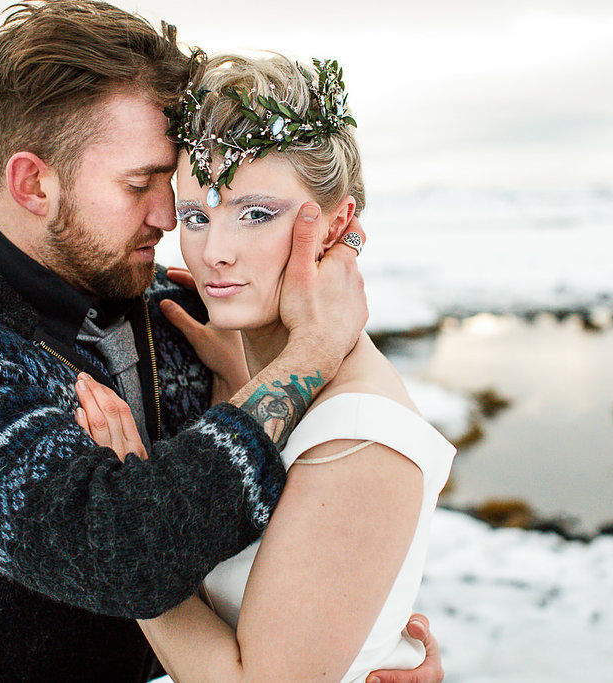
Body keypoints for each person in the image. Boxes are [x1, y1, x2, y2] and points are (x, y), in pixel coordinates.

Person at [0, 1, 442, 681]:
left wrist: (365, 646)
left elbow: (315, 520)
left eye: (175, 183)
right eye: (139, 184)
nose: (168, 217)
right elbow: (128, 555)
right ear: (33, 182)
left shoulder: (169, 310)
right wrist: (309, 356)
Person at [73, 53, 456, 682]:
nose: (215, 252)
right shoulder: (246, 365)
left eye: (256, 214)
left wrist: (132, 516)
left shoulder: (358, 439)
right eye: (197, 216)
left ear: (337, 224)